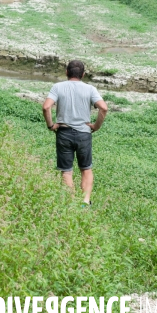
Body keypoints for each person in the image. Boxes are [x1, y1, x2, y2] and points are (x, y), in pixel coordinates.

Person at [42, 60, 108, 206]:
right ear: (83, 74)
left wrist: (51, 125)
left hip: (63, 133)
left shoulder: (57, 87)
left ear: (66, 72)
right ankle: (85, 202)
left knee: (66, 171)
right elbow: (103, 108)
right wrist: (96, 126)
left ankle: (70, 203)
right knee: (86, 169)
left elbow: (46, 107)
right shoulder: (90, 89)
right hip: (84, 134)